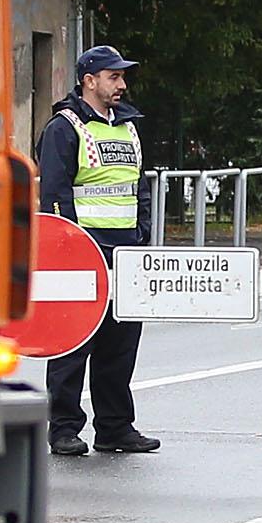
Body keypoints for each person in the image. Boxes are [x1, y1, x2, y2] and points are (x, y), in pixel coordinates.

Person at [34, 45, 157, 457]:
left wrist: (142, 236)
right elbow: (54, 193)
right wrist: (67, 248)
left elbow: (138, 186)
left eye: (122, 77)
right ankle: (64, 428)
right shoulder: (64, 128)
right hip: (82, 253)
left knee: (120, 344)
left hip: (125, 251)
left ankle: (115, 428)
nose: (121, 85)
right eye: (114, 77)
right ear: (90, 81)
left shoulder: (128, 127)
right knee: (72, 343)